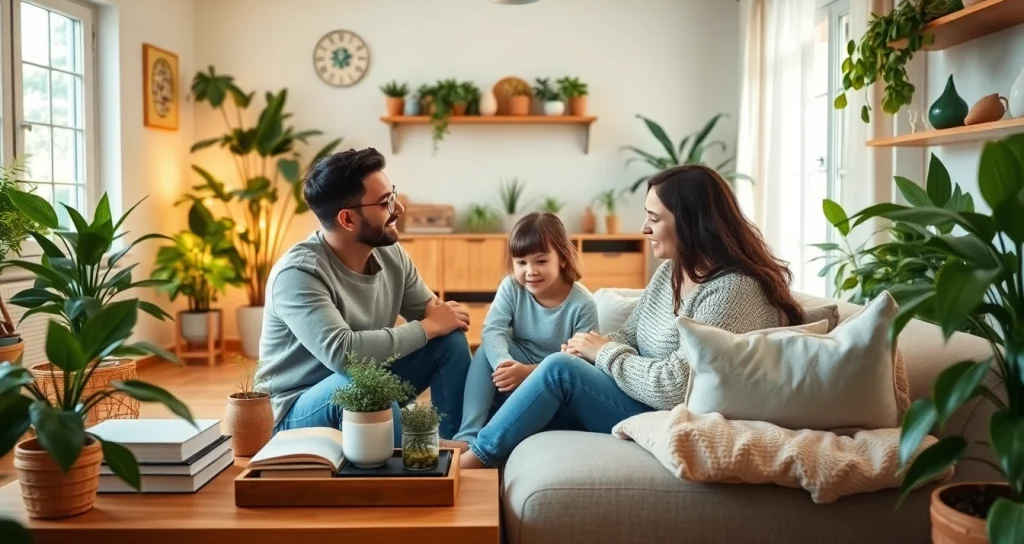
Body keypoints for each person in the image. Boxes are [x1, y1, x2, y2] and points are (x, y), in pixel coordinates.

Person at [458, 165, 804, 468]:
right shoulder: (671, 272)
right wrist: (586, 349)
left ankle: (477, 458)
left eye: (654, 219)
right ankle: (461, 438)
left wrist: (603, 353)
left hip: (666, 414)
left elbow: (677, 386)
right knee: (532, 371)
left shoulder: (731, 291)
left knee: (558, 371)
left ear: (690, 224)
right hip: (636, 396)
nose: (644, 228)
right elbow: (631, 336)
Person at [259, 147, 472, 446]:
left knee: (448, 342)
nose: (398, 209)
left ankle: (462, 446)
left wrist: (443, 321)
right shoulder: (297, 274)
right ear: (347, 219)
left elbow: (435, 314)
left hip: (366, 379)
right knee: (362, 382)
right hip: (297, 410)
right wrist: (428, 327)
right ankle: (423, 455)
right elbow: (343, 354)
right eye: (386, 202)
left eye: (393, 195)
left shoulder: (390, 252)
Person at [452, 213, 599, 444]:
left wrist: (528, 372)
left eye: (541, 261)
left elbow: (582, 362)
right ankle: (467, 436)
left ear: (562, 258)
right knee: (484, 352)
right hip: (515, 366)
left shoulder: (583, 304)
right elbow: (493, 331)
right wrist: (504, 364)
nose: (530, 271)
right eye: (521, 263)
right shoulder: (511, 287)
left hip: (555, 380)